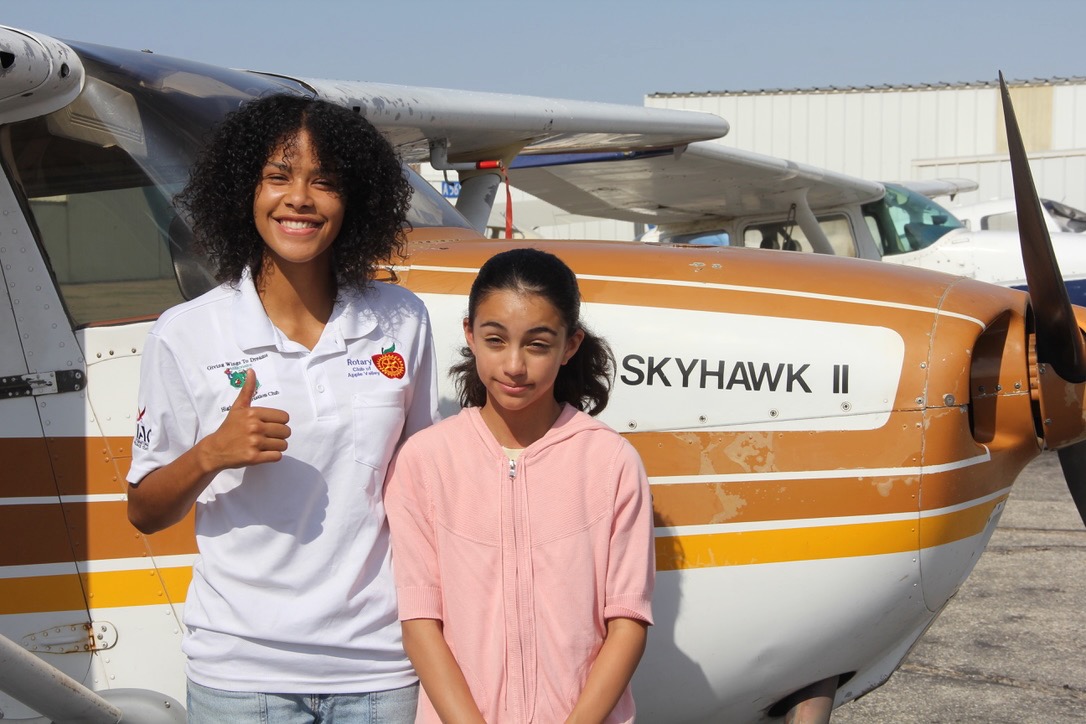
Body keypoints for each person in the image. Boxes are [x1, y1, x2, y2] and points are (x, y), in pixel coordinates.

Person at [126, 94, 438, 723]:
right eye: (278, 177)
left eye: (324, 181)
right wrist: (211, 454)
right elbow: (144, 510)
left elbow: (423, 487)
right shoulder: (183, 334)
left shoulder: (402, 319)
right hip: (244, 675)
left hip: (378, 667)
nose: (299, 197)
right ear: (246, 191)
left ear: (354, 202)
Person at [385, 247, 655, 723]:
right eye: (495, 339)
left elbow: (628, 620)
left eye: (536, 344)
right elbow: (420, 621)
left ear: (570, 345)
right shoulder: (425, 462)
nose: (513, 365)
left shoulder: (611, 462)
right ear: (469, 335)